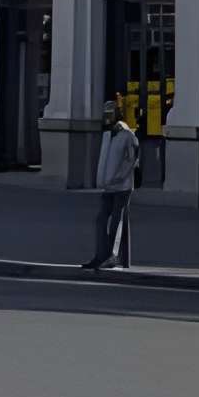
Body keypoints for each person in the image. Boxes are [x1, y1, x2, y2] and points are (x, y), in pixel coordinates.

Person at [82, 100, 139, 270]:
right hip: (107, 187)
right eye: (105, 114)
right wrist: (102, 180)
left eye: (110, 114)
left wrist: (118, 178)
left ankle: (113, 256)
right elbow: (104, 161)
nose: (107, 117)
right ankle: (101, 255)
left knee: (116, 220)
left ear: (117, 114)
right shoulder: (107, 135)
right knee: (100, 220)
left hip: (122, 187)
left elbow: (132, 160)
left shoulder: (128, 135)